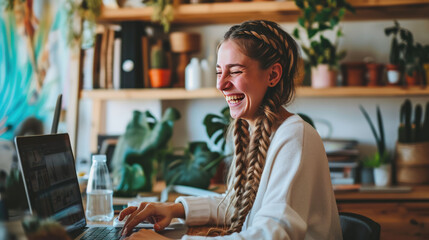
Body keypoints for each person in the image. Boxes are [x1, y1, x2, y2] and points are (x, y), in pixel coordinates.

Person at [119, 20, 342, 240]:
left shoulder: (293, 137)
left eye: (234, 71)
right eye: (219, 72)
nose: (221, 84)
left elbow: (273, 234)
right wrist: (175, 209)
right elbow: (238, 203)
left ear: (273, 75)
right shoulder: (255, 132)